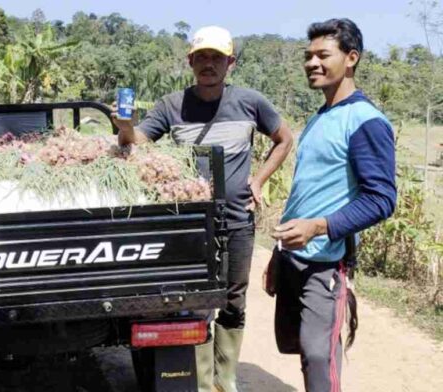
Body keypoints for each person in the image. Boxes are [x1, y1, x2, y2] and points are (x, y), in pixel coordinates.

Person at [112, 25, 294, 392]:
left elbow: (284, 139)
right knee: (194, 299)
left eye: (216, 58)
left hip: (238, 219)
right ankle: (199, 381)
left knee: (233, 296)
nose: (208, 64)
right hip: (190, 223)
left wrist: (257, 181)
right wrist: (125, 127)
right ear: (190, 62)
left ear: (231, 63)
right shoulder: (170, 106)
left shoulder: (250, 102)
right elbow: (136, 146)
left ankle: (225, 381)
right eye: (201, 58)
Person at [265, 18, 396, 392]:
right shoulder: (320, 118)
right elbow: (307, 192)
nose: (311, 63)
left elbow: (382, 199)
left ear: (351, 58)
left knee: (320, 353)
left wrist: (319, 227)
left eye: (323, 54)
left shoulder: (365, 121)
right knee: (304, 350)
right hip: (295, 256)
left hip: (327, 260)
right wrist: (278, 253)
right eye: (308, 56)